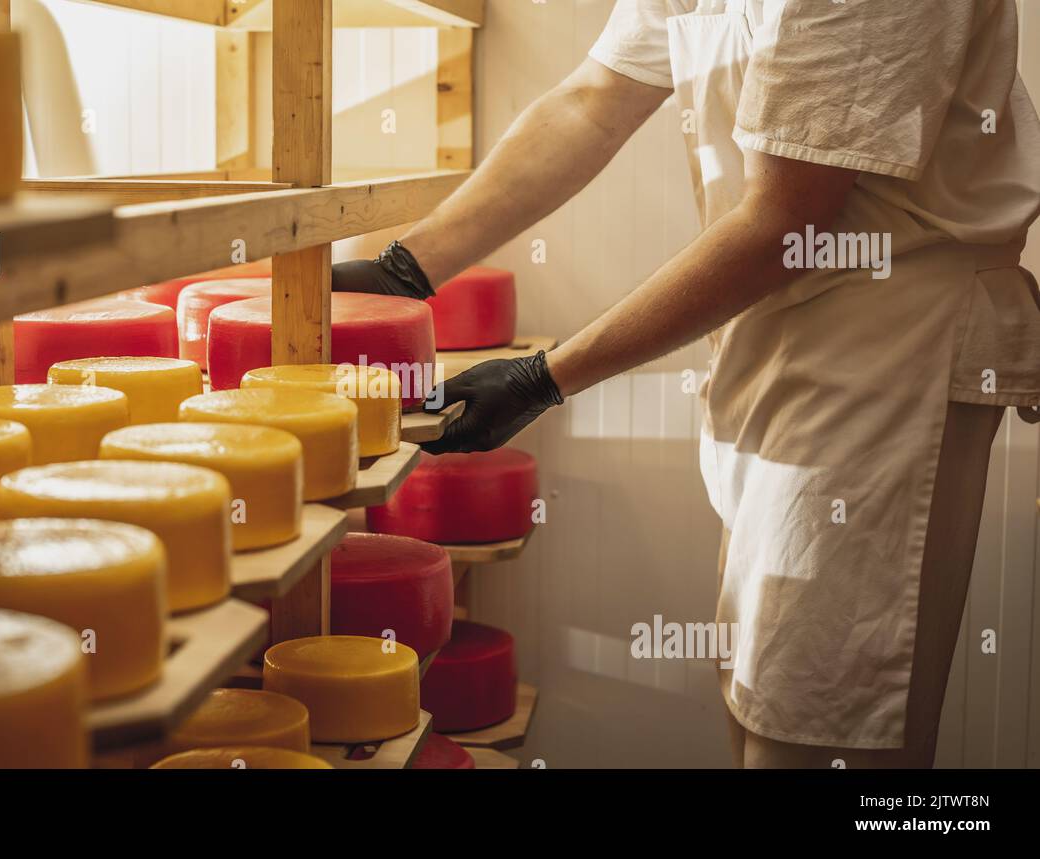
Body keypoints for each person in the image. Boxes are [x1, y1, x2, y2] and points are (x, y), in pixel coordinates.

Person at [333, 0, 1040, 768]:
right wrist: (409, 267)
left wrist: (545, 376)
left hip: (890, 357)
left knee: (815, 725)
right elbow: (593, 101)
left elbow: (784, 227)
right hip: (782, 336)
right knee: (759, 691)